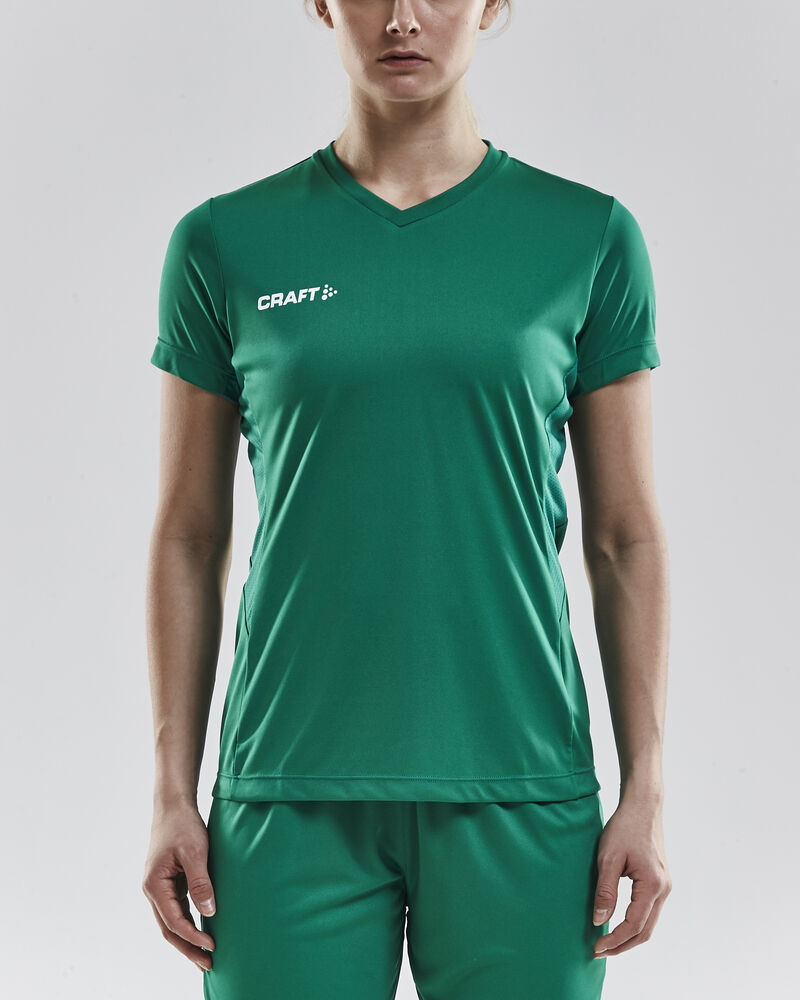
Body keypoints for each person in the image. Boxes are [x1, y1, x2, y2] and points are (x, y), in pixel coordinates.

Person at [141, 1, 672, 997]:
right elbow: (188, 535)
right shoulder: (224, 241)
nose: (400, 19)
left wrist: (645, 788)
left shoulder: (587, 236)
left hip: (521, 783)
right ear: (320, 4)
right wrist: (171, 791)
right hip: (286, 788)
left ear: (493, 5)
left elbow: (623, 537)